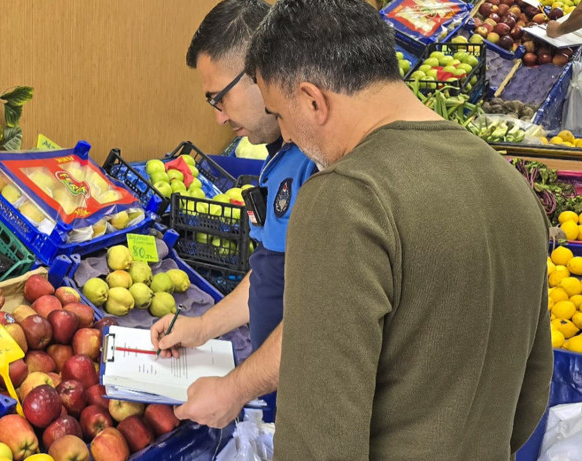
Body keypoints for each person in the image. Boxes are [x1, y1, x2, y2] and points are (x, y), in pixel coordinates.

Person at [244, 0, 552, 458]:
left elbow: (319, 440)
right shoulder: (509, 182)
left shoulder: (344, 200)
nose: (286, 137)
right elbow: (532, 393)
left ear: (312, 100)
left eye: (281, 116)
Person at [150, 0, 316, 427]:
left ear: (263, 72)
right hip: (280, 397)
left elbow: (319, 318)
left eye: (219, 98)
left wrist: (235, 389)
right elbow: (272, 274)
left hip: (309, 406)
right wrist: (203, 326)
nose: (219, 117)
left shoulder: (319, 166)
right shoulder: (280, 156)